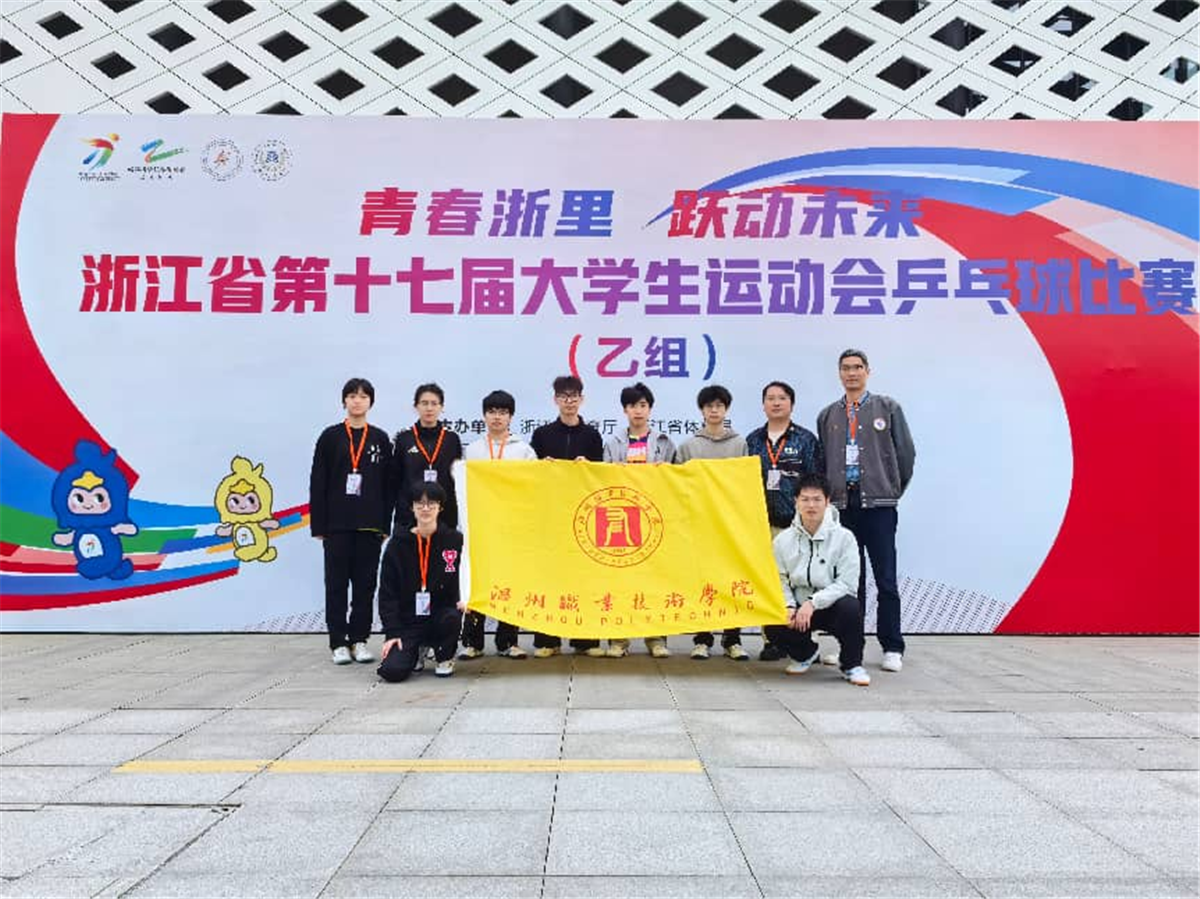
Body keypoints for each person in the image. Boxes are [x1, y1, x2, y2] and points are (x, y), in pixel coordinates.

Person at [817, 349, 915, 673]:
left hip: (879, 507)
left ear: (868, 371)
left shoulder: (888, 408)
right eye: (846, 368)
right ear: (839, 373)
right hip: (843, 507)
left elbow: (906, 455)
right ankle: (851, 647)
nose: (852, 373)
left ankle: (892, 646)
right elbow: (823, 461)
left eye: (858, 367)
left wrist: (891, 489)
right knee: (849, 581)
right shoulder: (828, 415)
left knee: (885, 578)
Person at [309, 378, 392, 666]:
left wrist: (385, 525)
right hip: (337, 526)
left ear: (371, 402)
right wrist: (319, 525)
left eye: (363, 396)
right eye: (352, 396)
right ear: (344, 400)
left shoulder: (380, 439)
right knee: (336, 586)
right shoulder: (330, 437)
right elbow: (318, 481)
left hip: (370, 525)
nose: (357, 401)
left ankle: (359, 640)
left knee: (365, 586)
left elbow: (388, 486)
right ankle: (338, 642)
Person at [745, 380, 825, 661]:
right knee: (768, 581)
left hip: (797, 525)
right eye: (770, 398)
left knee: (801, 581)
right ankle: (772, 639)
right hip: (762, 525)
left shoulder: (806, 439)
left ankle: (806, 639)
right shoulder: (752, 440)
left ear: (791, 403)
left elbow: (815, 481)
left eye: (782, 398)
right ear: (763, 404)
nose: (776, 402)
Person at [767, 473, 870, 687]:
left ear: (827, 501)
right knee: (772, 619)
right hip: (798, 608)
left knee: (851, 607)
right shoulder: (783, 541)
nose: (811, 505)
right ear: (796, 501)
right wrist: (788, 605)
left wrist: (813, 603)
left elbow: (847, 584)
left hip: (831, 606)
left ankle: (851, 665)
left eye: (817, 499)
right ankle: (805, 653)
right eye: (805, 499)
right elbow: (779, 578)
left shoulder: (845, 538)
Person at [457, 389, 537, 661]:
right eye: (492, 412)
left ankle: (508, 641)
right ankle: (472, 642)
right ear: (484, 416)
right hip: (480, 527)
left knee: (510, 583)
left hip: (512, 529)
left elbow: (534, 487)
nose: (497, 417)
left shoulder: (523, 450)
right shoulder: (473, 450)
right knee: (477, 583)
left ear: (511, 417)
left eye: (503, 412)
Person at [529, 375, 606, 658]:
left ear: (582, 399)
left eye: (574, 396)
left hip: (584, 517)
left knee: (585, 577)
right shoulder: (542, 435)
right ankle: (547, 640)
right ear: (555, 400)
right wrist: (542, 466)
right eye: (564, 396)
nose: (569, 401)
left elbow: (602, 478)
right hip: (550, 515)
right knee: (548, 577)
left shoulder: (592, 436)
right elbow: (531, 476)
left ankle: (586, 641)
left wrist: (588, 467)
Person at [675, 384, 750, 661]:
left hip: (730, 527)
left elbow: (744, 485)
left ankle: (732, 639)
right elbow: (677, 486)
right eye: (709, 406)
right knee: (701, 582)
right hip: (698, 526)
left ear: (726, 409)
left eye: (719, 405)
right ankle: (702, 639)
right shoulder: (688, 446)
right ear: (702, 410)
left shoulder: (739, 444)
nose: (714, 410)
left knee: (732, 581)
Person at [602, 382, 676, 659]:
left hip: (655, 519)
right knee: (619, 581)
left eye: (643, 405)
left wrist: (665, 473)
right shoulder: (613, 443)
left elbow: (677, 482)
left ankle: (656, 638)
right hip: (622, 519)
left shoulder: (665, 442)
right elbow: (602, 480)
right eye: (632, 405)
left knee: (656, 580)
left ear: (650, 409)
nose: (638, 410)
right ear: (625, 410)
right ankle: (618, 640)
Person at [377, 483, 464, 681]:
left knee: (451, 617)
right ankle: (417, 650)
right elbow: (387, 594)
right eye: (420, 503)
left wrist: (464, 598)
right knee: (392, 672)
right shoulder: (397, 545)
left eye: (431, 503)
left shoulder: (454, 540)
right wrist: (392, 633)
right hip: (409, 621)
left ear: (440, 507)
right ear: (412, 507)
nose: (426, 508)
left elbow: (465, 576)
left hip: (440, 616)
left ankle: (444, 656)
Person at [391, 383, 463, 534]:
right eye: (424, 403)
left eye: (434, 403)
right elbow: (395, 479)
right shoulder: (404, 439)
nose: (429, 408)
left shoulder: (451, 439)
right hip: (409, 516)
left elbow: (456, 479)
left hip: (444, 516)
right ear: (416, 407)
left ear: (441, 407)